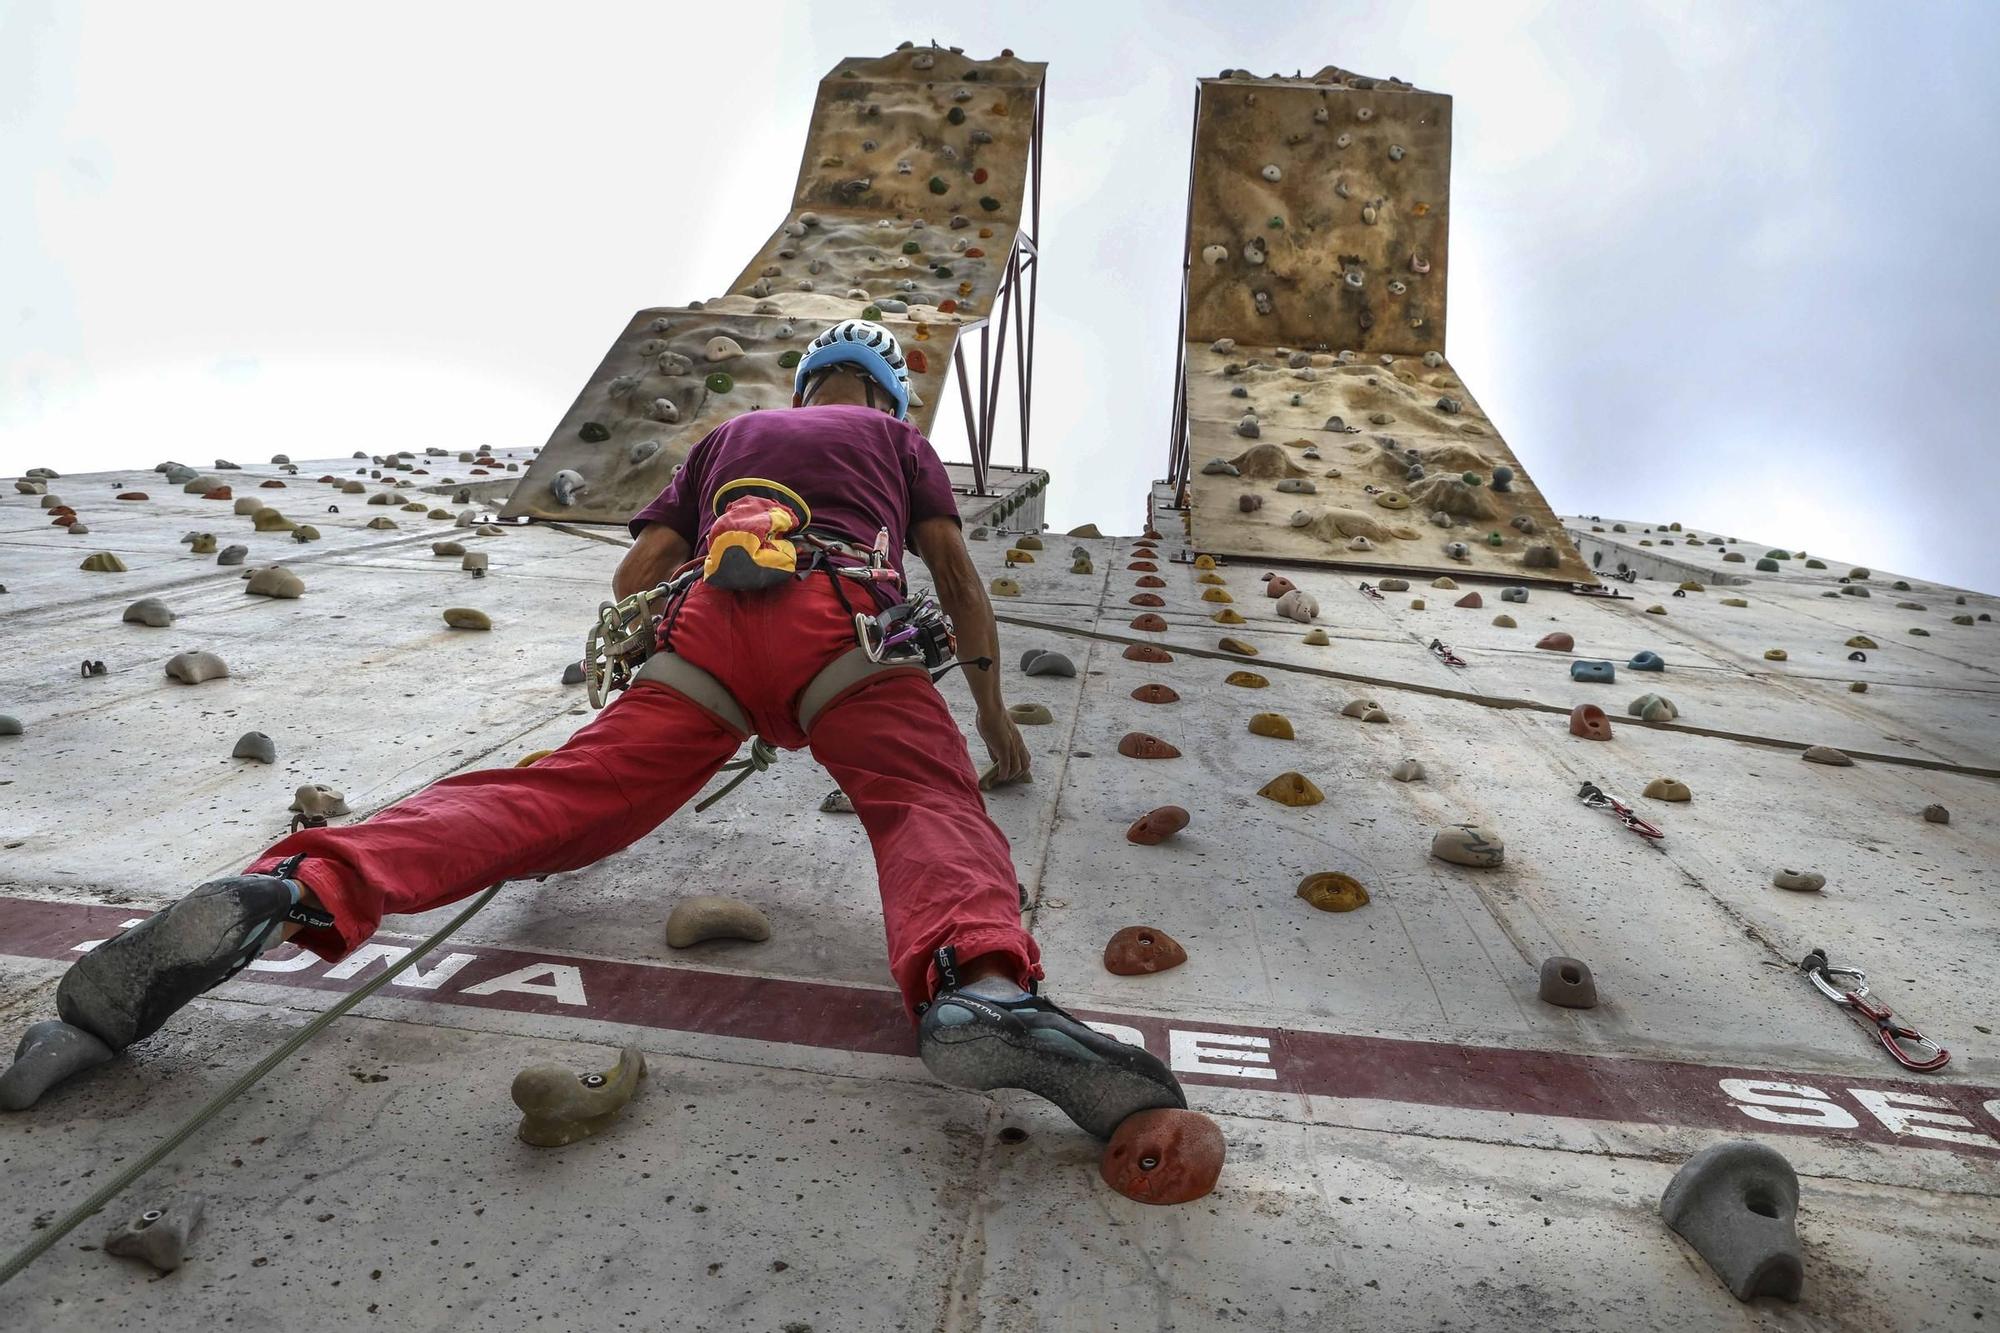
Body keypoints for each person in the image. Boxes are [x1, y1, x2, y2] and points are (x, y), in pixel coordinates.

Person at [0, 319, 1186, 1140]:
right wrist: (987, 710)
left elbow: (641, 565)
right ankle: (979, 988)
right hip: (849, 632)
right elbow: (955, 571)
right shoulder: (890, 442)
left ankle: (296, 886)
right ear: (875, 395)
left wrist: (640, 669)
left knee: (551, 800)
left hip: (705, 628)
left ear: (802, 383)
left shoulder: (726, 440)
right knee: (923, 805)